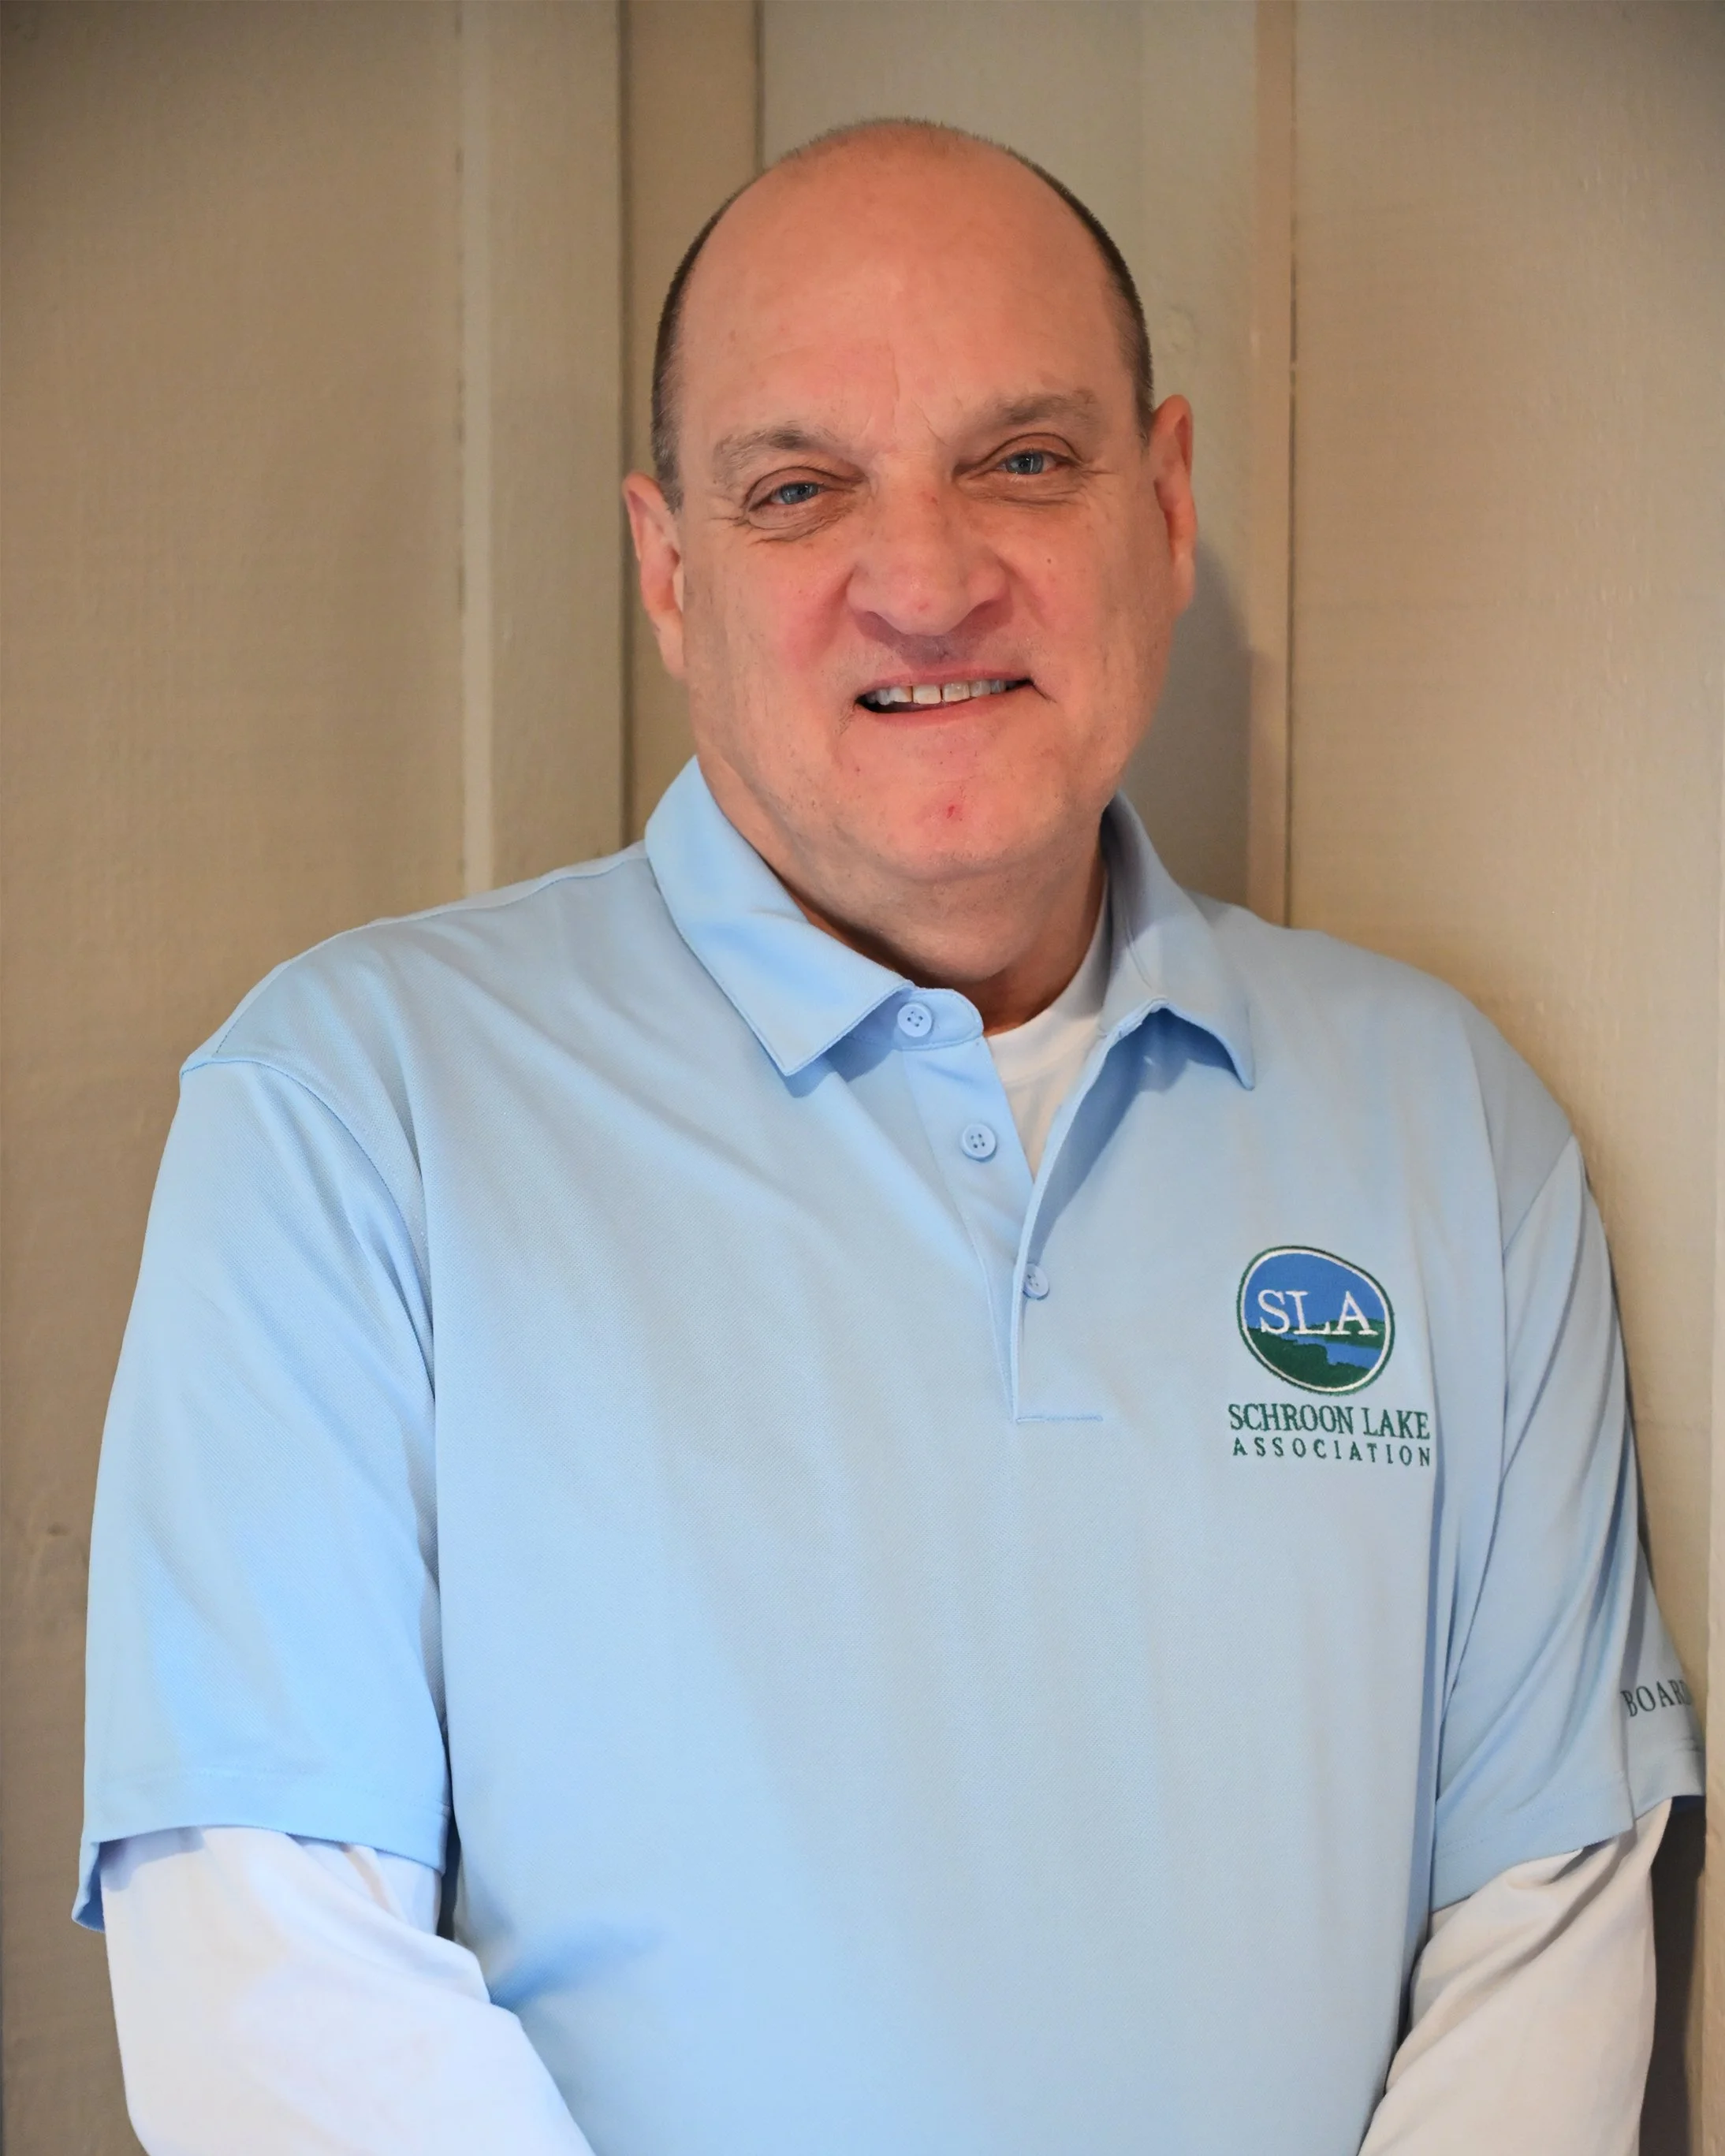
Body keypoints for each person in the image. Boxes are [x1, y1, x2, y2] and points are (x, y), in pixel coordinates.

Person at [80, 121, 1700, 2155]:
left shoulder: (1453, 1131)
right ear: (671, 574)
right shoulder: (350, 1115)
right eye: (798, 490)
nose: (926, 580)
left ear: (1167, 503)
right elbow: (269, 1973)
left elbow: (1540, 1928)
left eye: (1024, 461)